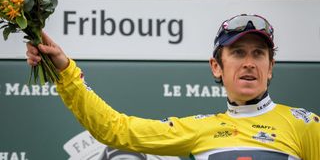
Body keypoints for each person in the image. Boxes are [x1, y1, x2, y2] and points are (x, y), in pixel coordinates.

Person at [26, 14, 319, 160]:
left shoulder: (304, 125)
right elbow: (115, 129)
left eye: (259, 54)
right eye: (238, 53)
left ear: (271, 68)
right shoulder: (198, 129)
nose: (249, 63)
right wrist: (64, 70)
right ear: (216, 66)